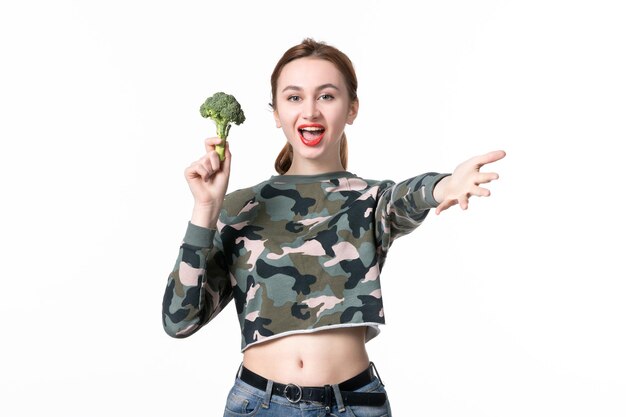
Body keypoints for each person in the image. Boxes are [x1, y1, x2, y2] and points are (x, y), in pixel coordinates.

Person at [162, 38, 506, 416]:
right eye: (294, 98)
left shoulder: (371, 201)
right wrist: (205, 209)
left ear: (352, 108)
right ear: (276, 112)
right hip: (259, 405)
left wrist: (445, 185)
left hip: (355, 405)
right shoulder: (239, 207)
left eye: (326, 96)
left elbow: (408, 197)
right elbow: (179, 321)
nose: (310, 111)